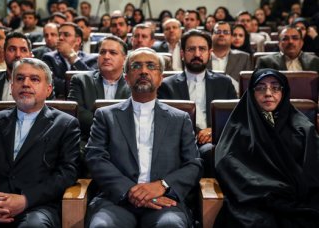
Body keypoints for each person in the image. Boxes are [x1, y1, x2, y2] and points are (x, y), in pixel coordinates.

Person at [85, 47, 203, 228]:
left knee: (170, 225)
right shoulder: (105, 115)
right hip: (117, 200)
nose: (144, 71)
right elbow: (95, 158)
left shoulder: (179, 119)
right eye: (136, 66)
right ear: (126, 77)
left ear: (161, 78)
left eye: (151, 66)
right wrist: (131, 191)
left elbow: (193, 164)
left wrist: (162, 185)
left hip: (165, 200)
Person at [0, 58, 81, 227]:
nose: (26, 84)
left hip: (35, 206)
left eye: (35, 79)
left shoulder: (65, 124)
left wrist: (25, 200)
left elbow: (67, 174)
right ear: (12, 87)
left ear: (48, 89)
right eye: (20, 78)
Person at [214, 68, 319, 227]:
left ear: (284, 92)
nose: (268, 93)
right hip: (252, 200)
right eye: (261, 87)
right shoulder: (239, 127)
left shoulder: (303, 128)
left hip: (296, 198)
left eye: (275, 87)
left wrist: (289, 190)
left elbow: (312, 171)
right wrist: (269, 188)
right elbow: (228, 165)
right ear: (251, 93)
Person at [157, 29, 237, 176]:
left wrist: (214, 131)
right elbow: (163, 122)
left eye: (202, 49)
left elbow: (234, 118)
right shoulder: (167, 85)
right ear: (182, 53)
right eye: (191, 49)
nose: (197, 54)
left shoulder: (224, 82)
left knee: (212, 151)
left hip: (213, 142)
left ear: (209, 53)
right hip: (179, 143)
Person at [67, 35, 131, 144]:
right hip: (88, 141)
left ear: (124, 59)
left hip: (125, 142)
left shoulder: (133, 84)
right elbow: (77, 115)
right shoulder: (81, 80)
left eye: (113, 53)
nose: (106, 56)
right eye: (102, 52)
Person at [42, 22, 95, 98]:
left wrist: (73, 58)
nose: (60, 38)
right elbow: (51, 84)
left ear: (78, 40)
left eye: (66, 35)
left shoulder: (91, 59)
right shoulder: (49, 58)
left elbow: (92, 83)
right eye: (59, 34)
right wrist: (80, 86)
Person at [208, 21, 252, 92]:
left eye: (226, 32)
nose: (222, 34)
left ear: (231, 37)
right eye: (218, 32)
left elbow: (247, 87)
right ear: (211, 35)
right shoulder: (202, 57)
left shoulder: (244, 57)